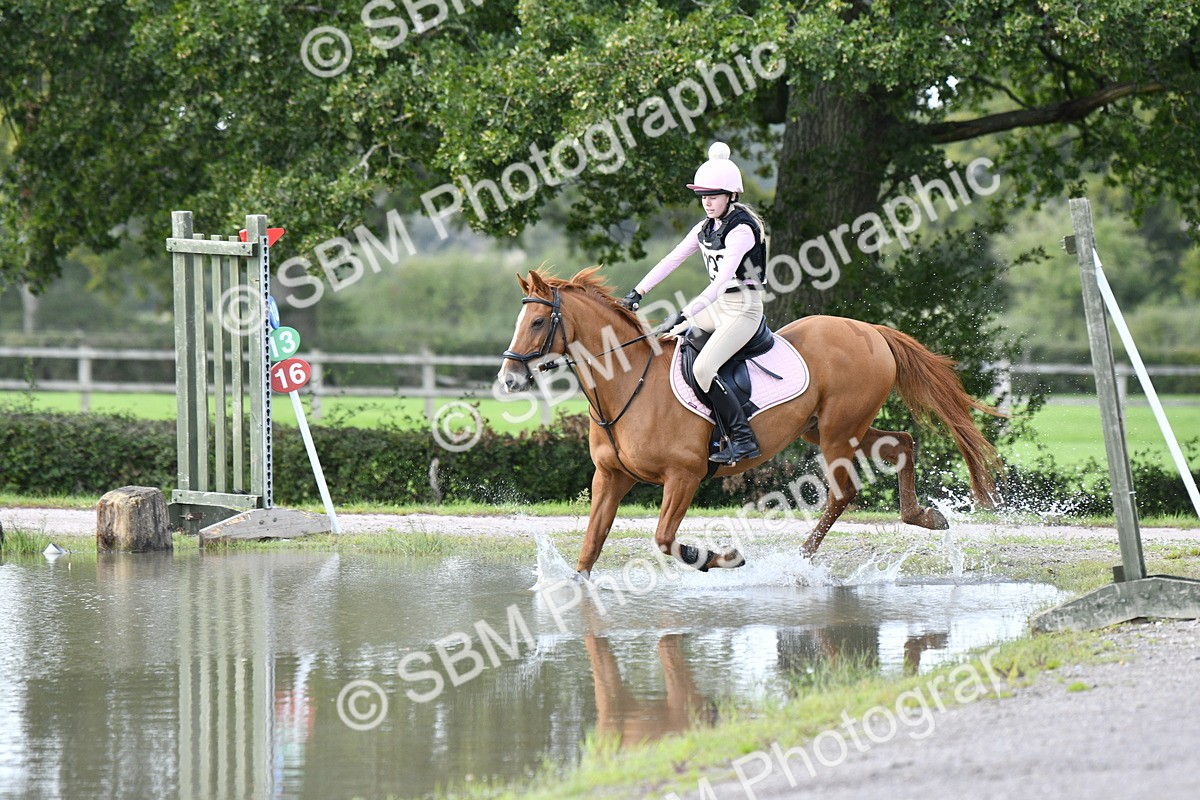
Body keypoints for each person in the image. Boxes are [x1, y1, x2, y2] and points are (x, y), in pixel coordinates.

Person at [619, 142, 767, 464]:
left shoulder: (741, 230)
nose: (707, 202)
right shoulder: (704, 228)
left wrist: (685, 314)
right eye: (703, 196)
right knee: (666, 345)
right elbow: (671, 259)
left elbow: (720, 281)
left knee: (703, 368)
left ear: (731, 196)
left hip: (743, 309)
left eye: (713, 195)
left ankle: (742, 440)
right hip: (718, 309)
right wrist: (638, 292)